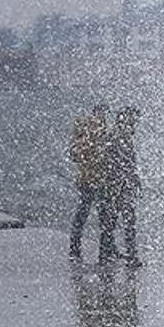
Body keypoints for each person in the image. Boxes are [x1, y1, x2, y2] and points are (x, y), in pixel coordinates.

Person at [68, 104, 116, 263]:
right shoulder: (90, 132)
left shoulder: (96, 132)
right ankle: (103, 252)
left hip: (93, 179)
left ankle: (101, 251)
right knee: (99, 216)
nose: (102, 118)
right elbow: (76, 154)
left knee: (89, 214)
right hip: (92, 180)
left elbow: (74, 154)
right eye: (101, 114)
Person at [107, 106, 142, 267]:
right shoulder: (120, 135)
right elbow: (121, 161)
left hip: (119, 184)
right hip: (120, 185)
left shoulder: (119, 133)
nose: (135, 121)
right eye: (133, 118)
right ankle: (130, 254)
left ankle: (112, 250)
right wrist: (130, 178)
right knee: (127, 220)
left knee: (115, 219)